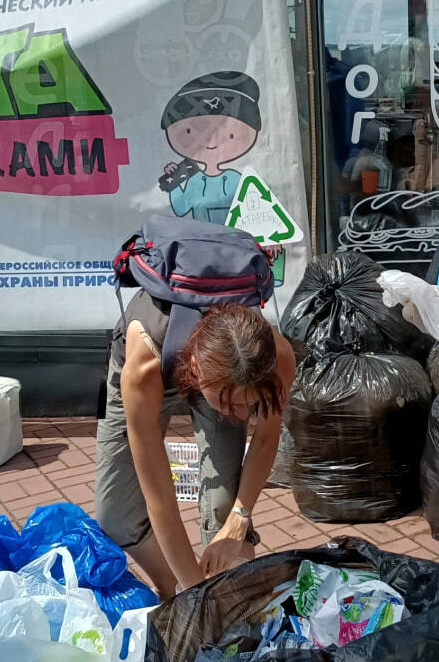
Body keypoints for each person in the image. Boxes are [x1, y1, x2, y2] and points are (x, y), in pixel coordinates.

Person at [96, 293, 296, 598]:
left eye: (251, 404)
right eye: (233, 405)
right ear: (195, 369)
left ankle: (235, 603)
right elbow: (160, 500)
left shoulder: (276, 356)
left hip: (223, 374)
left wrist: (238, 520)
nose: (242, 416)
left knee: (224, 506)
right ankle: (173, 592)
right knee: (116, 515)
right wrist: (193, 593)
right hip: (159, 359)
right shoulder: (143, 367)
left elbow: (266, 438)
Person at [157, 72, 262, 224]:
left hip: (236, 242)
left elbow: (253, 210)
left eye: (230, 135)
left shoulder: (236, 179)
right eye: (190, 132)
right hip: (203, 243)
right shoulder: (194, 180)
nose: (211, 143)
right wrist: (173, 182)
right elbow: (180, 209)